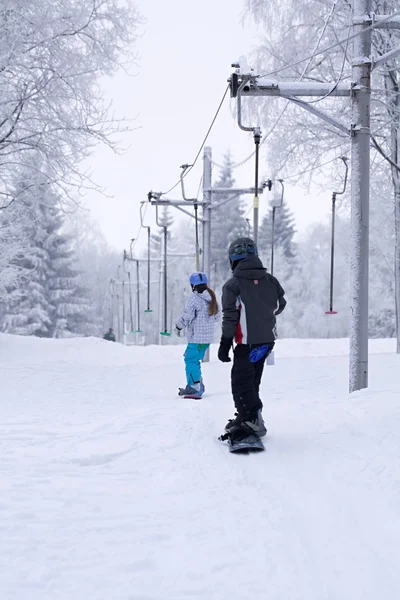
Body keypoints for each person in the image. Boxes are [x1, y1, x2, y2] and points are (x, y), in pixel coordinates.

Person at [218, 237, 287, 439]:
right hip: (266, 342)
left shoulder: (233, 285)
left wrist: (224, 343)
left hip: (246, 344)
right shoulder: (271, 280)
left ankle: (251, 420)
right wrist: (262, 313)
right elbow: (280, 304)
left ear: (233, 260)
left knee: (240, 381)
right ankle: (248, 415)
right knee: (252, 379)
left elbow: (230, 317)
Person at [174, 272, 220, 399]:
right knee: (195, 360)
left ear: (193, 286)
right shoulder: (212, 297)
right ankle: (197, 385)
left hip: (196, 338)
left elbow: (187, 316)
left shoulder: (194, 299)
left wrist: (178, 326)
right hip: (206, 339)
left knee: (190, 360)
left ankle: (194, 387)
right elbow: (217, 316)